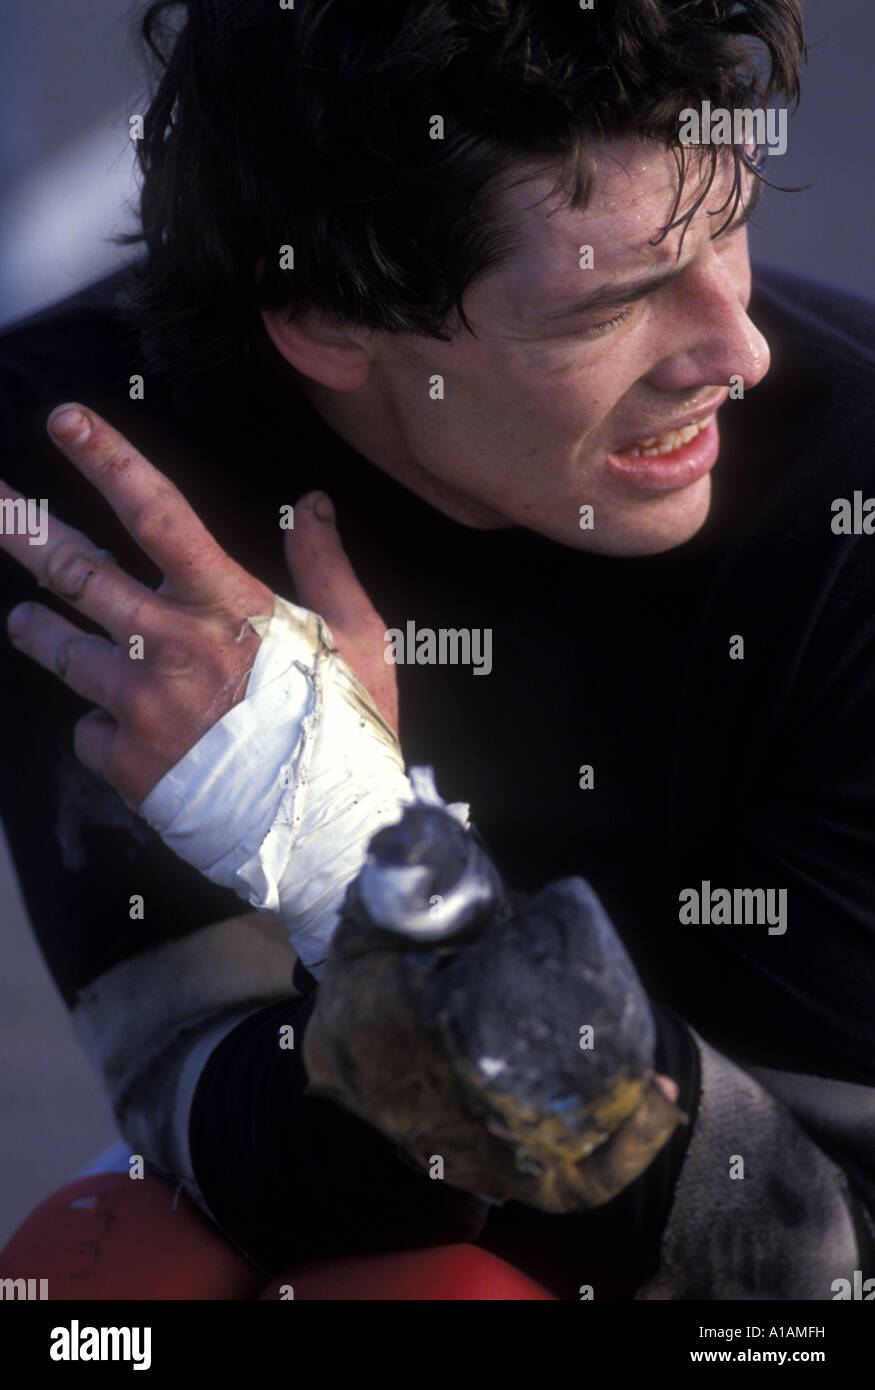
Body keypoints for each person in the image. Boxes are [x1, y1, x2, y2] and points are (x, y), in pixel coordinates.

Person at [0, 0, 873, 1300]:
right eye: (607, 302)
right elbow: (217, 1122)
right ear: (328, 324)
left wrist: (364, 856)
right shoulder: (109, 468)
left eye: (729, 223)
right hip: (438, 1196)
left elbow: (813, 1257)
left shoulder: (850, 506)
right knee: (112, 1273)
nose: (733, 352)